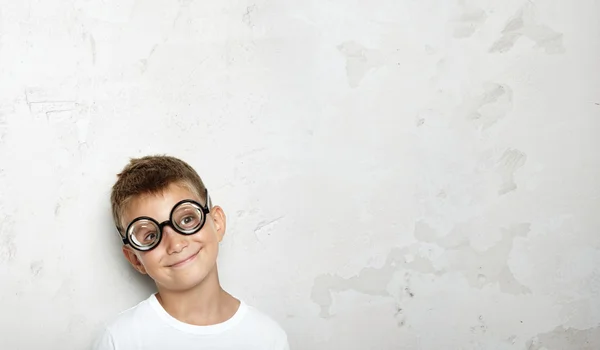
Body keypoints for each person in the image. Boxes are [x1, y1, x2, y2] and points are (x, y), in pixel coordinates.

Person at [92, 155, 290, 349]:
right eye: (151, 236)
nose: (175, 244)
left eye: (187, 219)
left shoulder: (267, 338)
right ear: (135, 259)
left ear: (217, 223)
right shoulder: (119, 340)